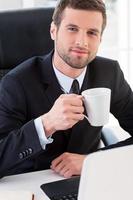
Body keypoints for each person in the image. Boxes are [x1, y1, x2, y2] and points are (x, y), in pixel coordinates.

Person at [0, 0, 133, 178]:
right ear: (53, 31)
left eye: (92, 33)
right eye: (72, 29)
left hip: (88, 180)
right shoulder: (16, 82)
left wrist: (91, 161)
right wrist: (46, 125)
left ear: (100, 39)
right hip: (33, 183)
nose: (82, 42)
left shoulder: (109, 73)